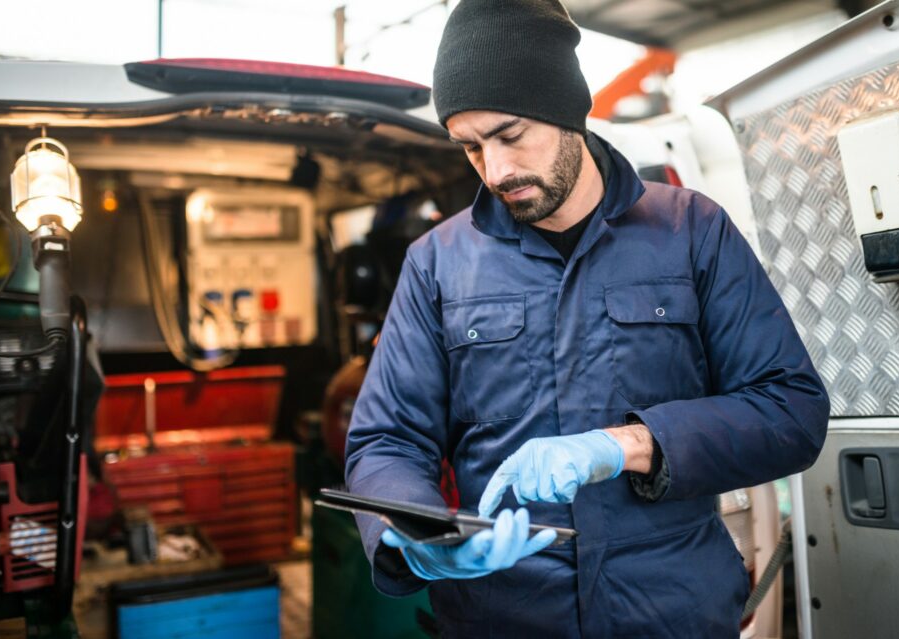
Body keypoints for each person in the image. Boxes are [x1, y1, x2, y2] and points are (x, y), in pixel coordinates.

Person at [344, 1, 830, 636]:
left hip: (669, 613)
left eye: (511, 135)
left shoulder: (691, 231)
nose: (495, 170)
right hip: (506, 617)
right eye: (470, 148)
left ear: (568, 111)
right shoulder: (438, 263)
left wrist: (626, 445)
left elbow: (789, 410)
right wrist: (416, 532)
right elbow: (387, 440)